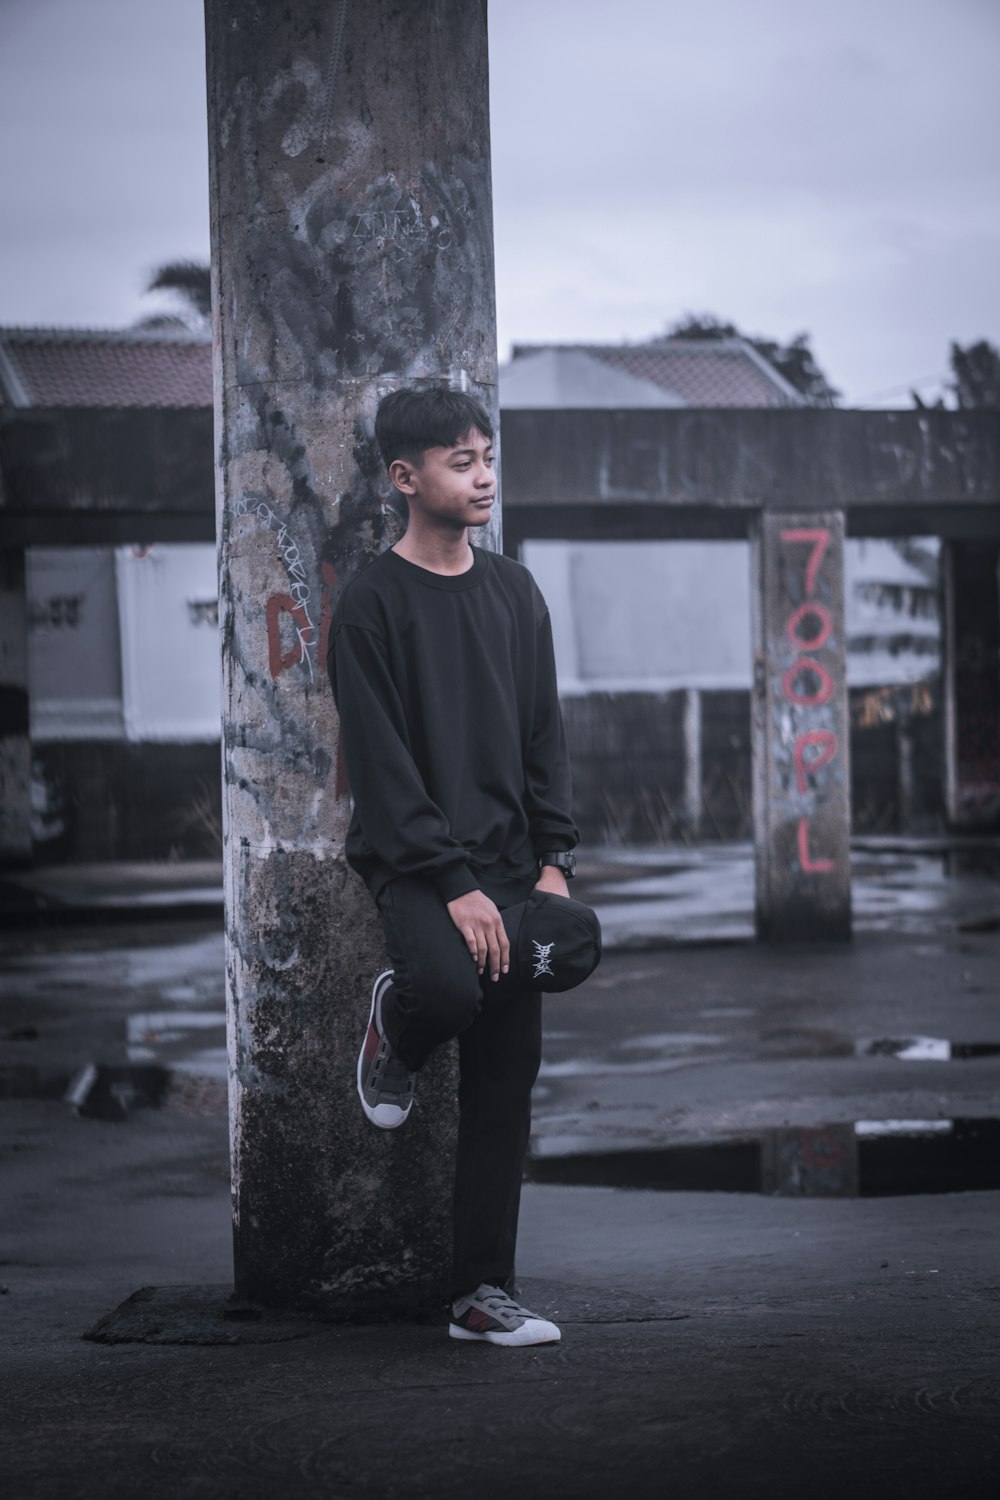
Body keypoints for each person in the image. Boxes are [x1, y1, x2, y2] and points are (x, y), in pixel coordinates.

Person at [328, 386, 579, 1347]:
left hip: (515, 865)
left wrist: (552, 863)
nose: (483, 475)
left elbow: (544, 736)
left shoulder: (515, 592)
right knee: (450, 992)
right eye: (460, 461)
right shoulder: (371, 606)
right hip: (416, 864)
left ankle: (482, 1294)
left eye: (488, 455)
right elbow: (384, 776)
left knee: (504, 1084)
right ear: (406, 478)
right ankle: (399, 1016)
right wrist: (457, 884)